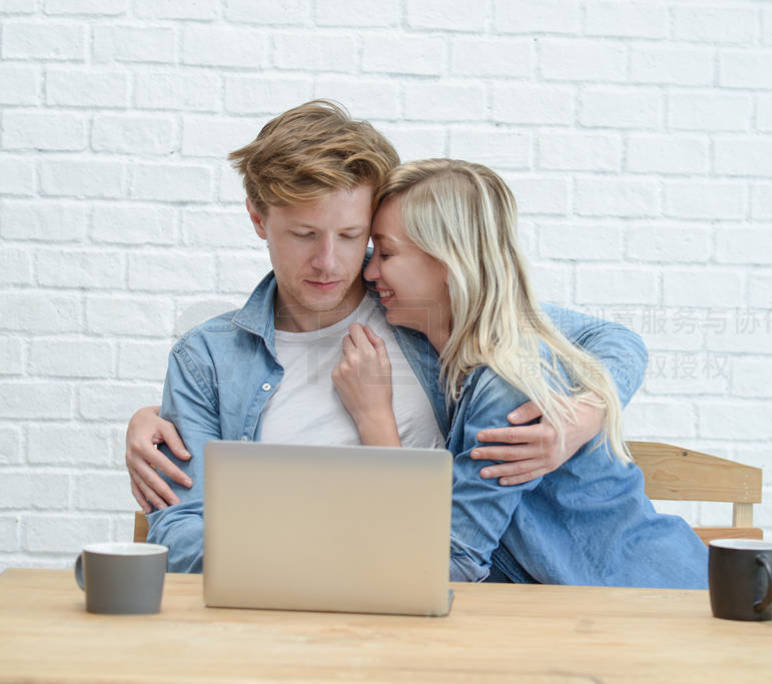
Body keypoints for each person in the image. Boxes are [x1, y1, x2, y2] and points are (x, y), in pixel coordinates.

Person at [134, 101, 649, 573]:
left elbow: (607, 339)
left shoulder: (427, 312)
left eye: (353, 236)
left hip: (435, 598)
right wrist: (310, 568)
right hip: (289, 602)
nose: (329, 262)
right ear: (258, 218)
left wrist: (590, 412)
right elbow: (180, 531)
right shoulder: (207, 358)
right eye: (304, 235)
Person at [332, 158, 708, 588]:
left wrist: (375, 421)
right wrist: (593, 407)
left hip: (652, 604)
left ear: (449, 262)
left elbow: (451, 564)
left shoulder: (507, 389)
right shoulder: (500, 330)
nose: (368, 270)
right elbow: (616, 337)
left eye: (386, 253)